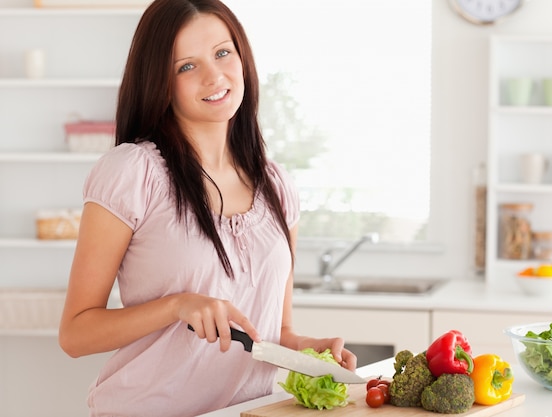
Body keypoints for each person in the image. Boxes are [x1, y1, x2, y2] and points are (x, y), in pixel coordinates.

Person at [58, 1, 357, 415]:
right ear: (161, 82)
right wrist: (177, 305)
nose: (214, 76)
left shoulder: (278, 187)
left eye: (222, 53)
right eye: (186, 66)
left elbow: (273, 331)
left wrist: (307, 350)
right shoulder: (133, 172)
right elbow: (75, 334)